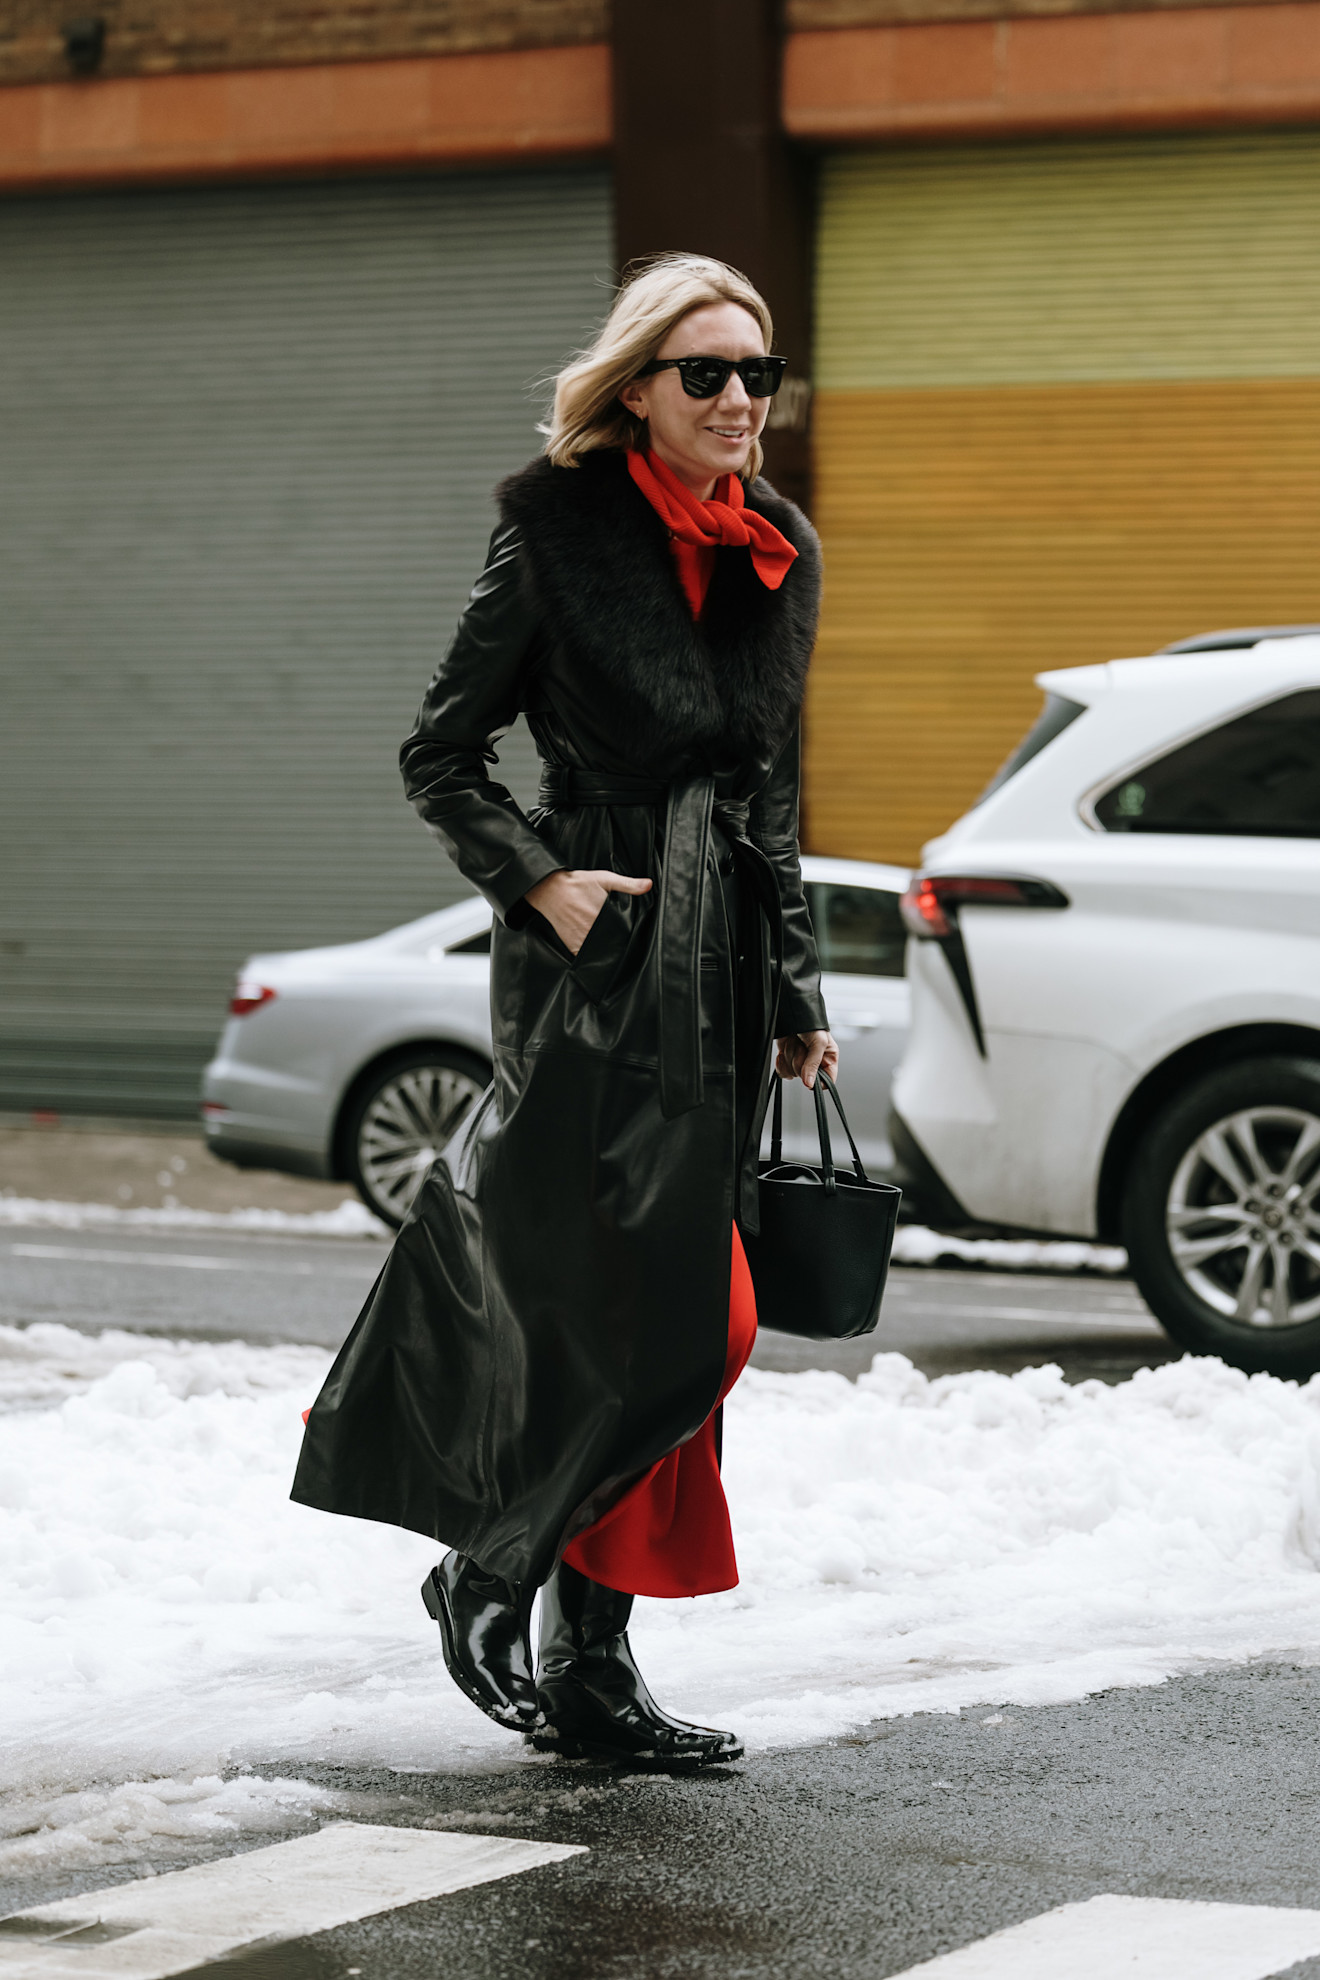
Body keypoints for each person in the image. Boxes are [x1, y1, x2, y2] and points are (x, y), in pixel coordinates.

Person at [292, 252, 837, 1770]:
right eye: (706, 374)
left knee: (680, 1316)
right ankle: (488, 1563)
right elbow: (439, 755)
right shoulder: (554, 539)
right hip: (597, 964)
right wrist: (548, 885)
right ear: (637, 391)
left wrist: (794, 982)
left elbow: (769, 793)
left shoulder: (776, 549)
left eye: (758, 375)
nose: (739, 401)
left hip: (723, 968)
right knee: (657, 1312)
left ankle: (594, 1668)